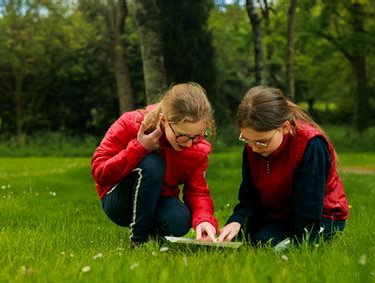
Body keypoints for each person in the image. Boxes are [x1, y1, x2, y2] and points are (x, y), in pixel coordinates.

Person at [217, 86, 349, 246]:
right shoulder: (253, 145)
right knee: (236, 239)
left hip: (319, 218)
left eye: (262, 142)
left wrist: (300, 244)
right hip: (278, 214)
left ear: (285, 127)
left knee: (264, 242)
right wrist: (238, 220)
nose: (254, 148)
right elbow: (249, 196)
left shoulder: (310, 144)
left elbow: (308, 207)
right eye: (246, 139)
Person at [91, 83, 218, 247]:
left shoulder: (198, 149)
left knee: (179, 221)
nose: (188, 144)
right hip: (119, 201)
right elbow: (100, 173)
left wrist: (204, 220)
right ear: (164, 120)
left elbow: (197, 192)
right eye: (182, 136)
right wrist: (139, 148)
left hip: (160, 198)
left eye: (197, 136)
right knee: (153, 163)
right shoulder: (131, 123)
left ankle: (154, 235)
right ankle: (138, 239)